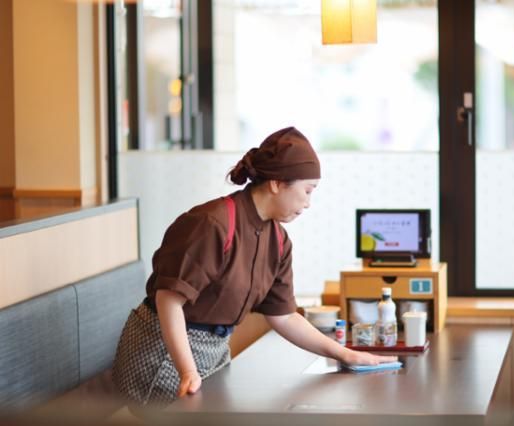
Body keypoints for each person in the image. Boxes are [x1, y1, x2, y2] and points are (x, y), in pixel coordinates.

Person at [112, 126, 397, 408]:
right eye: (307, 191)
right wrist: (187, 370)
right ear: (276, 183)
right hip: (164, 351)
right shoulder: (212, 223)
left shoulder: (279, 241)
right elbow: (168, 300)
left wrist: (346, 354)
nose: (309, 203)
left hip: (214, 351)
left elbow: (285, 317)